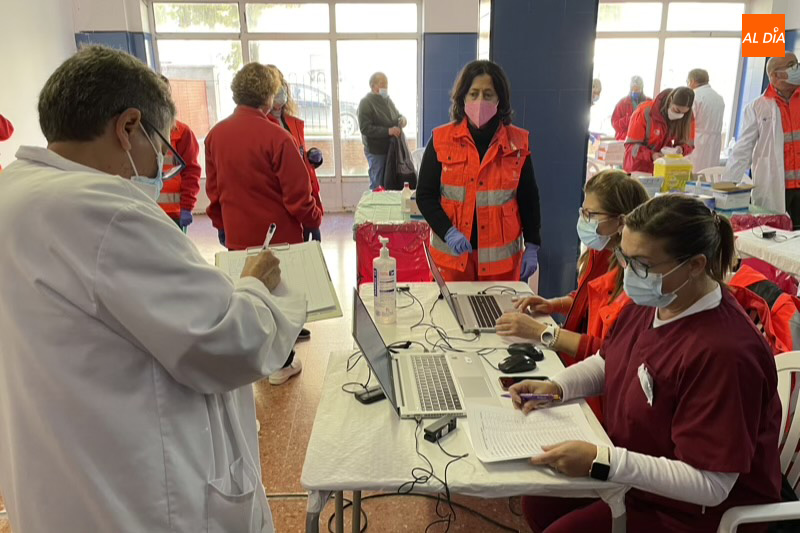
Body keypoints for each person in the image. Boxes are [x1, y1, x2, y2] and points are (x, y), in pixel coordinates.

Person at [0, 45, 306, 533]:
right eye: (160, 147)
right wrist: (253, 287)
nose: (160, 163)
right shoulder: (106, 212)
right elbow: (227, 343)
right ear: (127, 128)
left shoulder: (14, 189)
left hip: (61, 483)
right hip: (141, 498)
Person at [512, 195, 781, 533]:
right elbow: (610, 360)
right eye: (624, 257)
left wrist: (605, 462)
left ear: (696, 265)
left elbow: (712, 486)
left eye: (641, 264)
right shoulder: (656, 298)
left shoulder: (726, 353)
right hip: (641, 475)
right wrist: (557, 387)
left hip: (696, 513)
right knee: (538, 500)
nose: (628, 273)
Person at [206, 62, 321, 375]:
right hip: (279, 237)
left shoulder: (215, 136)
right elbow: (298, 197)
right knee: (279, 300)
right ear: (270, 97)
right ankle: (281, 364)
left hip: (238, 235)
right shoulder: (277, 137)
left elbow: (213, 192)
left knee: (250, 296)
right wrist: (314, 219)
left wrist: (223, 227)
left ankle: (256, 360)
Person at [495, 170, 649, 370]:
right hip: (581, 366)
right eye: (583, 212)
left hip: (596, 375)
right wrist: (553, 304)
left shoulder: (636, 281)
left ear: (620, 222)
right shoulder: (603, 251)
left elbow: (609, 352)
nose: (584, 220)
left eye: (590, 214)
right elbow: (589, 301)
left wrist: (543, 332)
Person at [416, 60, 542, 282]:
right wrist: (448, 232)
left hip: (500, 266)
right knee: (450, 317)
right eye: (473, 94)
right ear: (462, 97)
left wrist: (532, 243)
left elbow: (528, 198)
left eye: (488, 94)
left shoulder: (518, 143)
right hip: (452, 260)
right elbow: (425, 196)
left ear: (499, 99)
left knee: (498, 317)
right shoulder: (441, 139)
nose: (480, 101)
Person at [723, 52, 800, 227]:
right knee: (778, 239)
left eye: (797, 63)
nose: (797, 68)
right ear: (774, 75)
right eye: (791, 65)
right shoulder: (757, 107)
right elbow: (743, 148)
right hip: (776, 187)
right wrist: (727, 186)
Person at [265, 65, 324, 241]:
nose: (281, 92)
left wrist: (310, 157)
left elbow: (296, 157)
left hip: (304, 200)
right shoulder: (263, 126)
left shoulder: (291, 122)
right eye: (275, 88)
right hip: (284, 208)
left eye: (282, 86)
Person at [157, 74, 202, 232]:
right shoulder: (134, 132)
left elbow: (191, 171)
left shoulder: (181, 133)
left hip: (174, 214)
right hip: (146, 210)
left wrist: (187, 206)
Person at [623, 87, 696, 173]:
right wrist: (652, 155)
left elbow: (689, 143)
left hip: (663, 168)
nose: (679, 115)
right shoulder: (645, 112)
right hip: (638, 167)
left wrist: (680, 150)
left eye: (683, 113)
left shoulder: (687, 118)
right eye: (676, 110)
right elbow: (631, 147)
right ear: (670, 100)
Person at [358, 72, 408, 190]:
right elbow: (365, 128)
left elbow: (396, 115)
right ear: (373, 85)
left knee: (389, 182)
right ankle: (376, 207)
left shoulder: (387, 100)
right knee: (378, 184)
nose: (385, 86)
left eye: (386, 83)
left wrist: (402, 119)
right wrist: (388, 131)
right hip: (376, 151)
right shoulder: (366, 102)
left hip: (390, 149)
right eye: (382, 83)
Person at [686, 68, 725, 172]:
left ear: (692, 81)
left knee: (695, 174)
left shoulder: (695, 96)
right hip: (715, 142)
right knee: (710, 173)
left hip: (699, 140)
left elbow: (688, 122)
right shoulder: (719, 97)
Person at [611, 75, 650, 141]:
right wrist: (629, 119)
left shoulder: (649, 103)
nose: (634, 91)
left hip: (644, 140)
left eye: (637, 89)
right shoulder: (622, 103)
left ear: (642, 89)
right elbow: (615, 123)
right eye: (632, 89)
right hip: (625, 140)